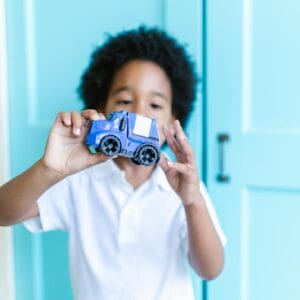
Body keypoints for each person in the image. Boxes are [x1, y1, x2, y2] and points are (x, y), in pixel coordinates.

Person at [0, 26, 226, 300]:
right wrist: (49, 169)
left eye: (155, 105)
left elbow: (210, 270)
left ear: (172, 121)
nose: (139, 112)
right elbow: (4, 213)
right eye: (125, 100)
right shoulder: (79, 180)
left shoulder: (183, 188)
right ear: (102, 109)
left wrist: (193, 202)